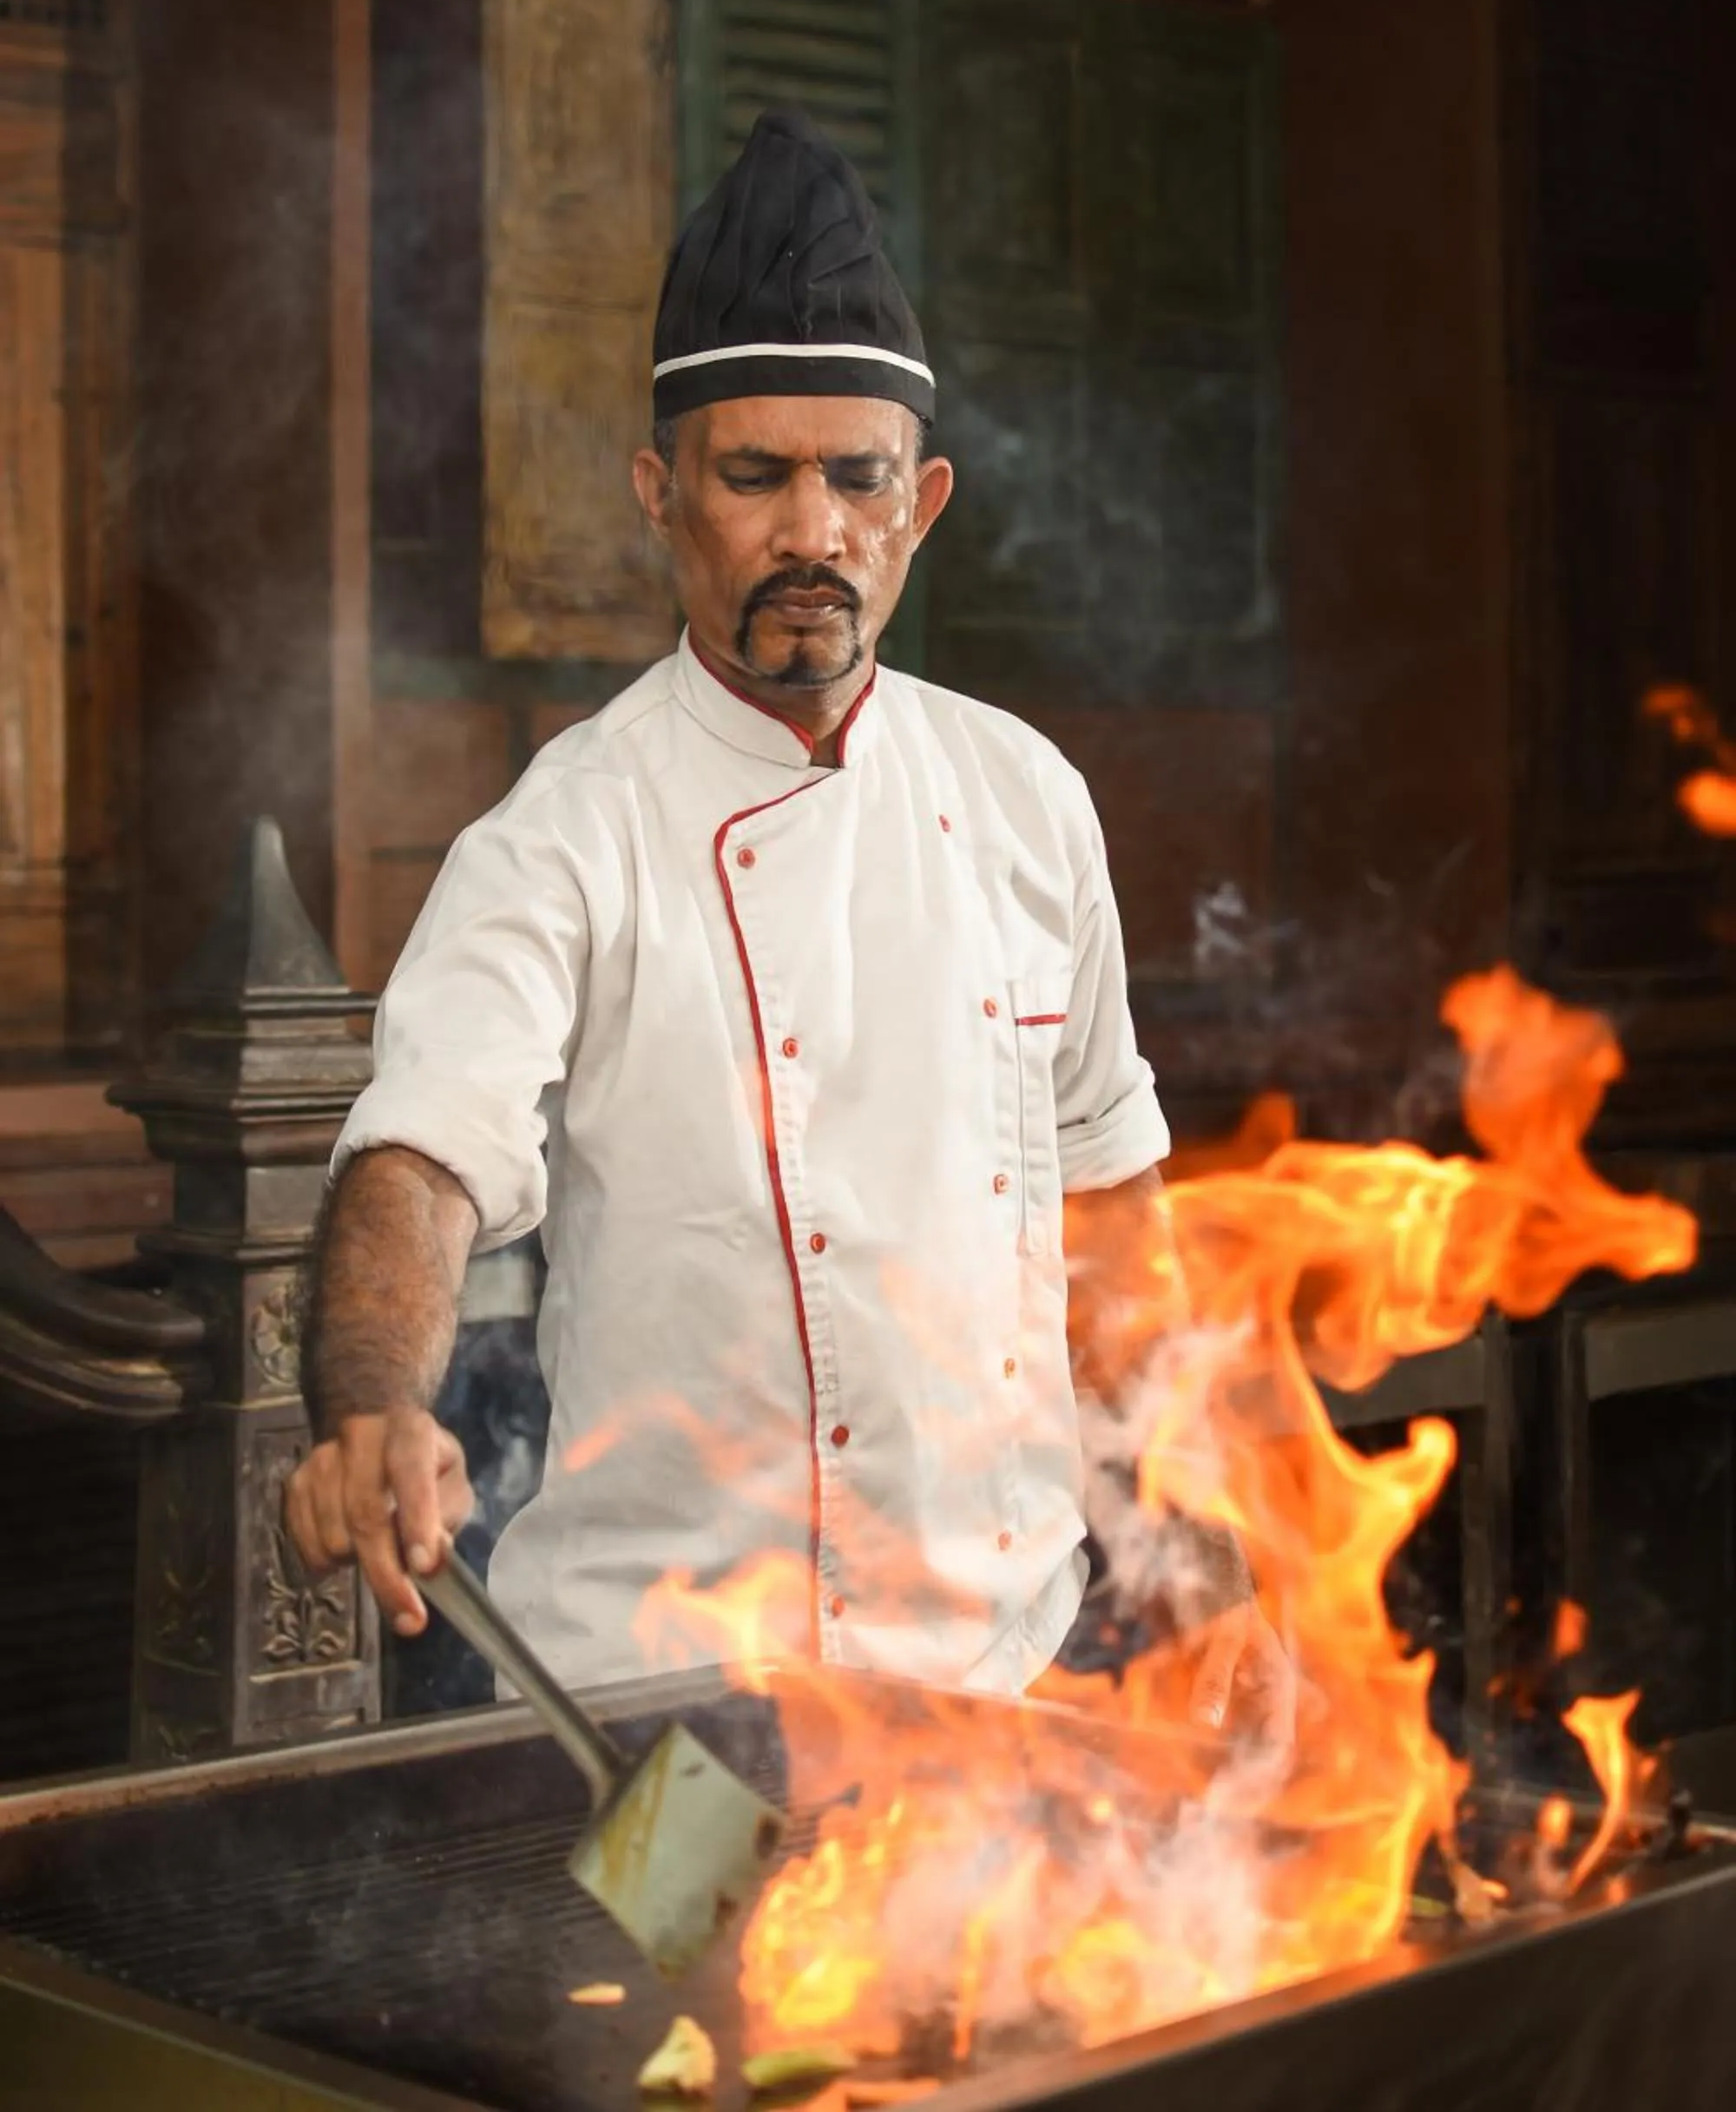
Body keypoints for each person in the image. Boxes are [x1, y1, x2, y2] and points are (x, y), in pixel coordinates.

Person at [286, 109, 1291, 1735]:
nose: (813, 532)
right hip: (661, 1695)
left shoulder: (1030, 801)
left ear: (926, 499)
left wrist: (1192, 1551)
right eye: (755, 476)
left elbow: (1109, 1216)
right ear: (660, 492)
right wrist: (374, 1408)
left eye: (857, 479)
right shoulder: (565, 833)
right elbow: (422, 1156)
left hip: (997, 1681)